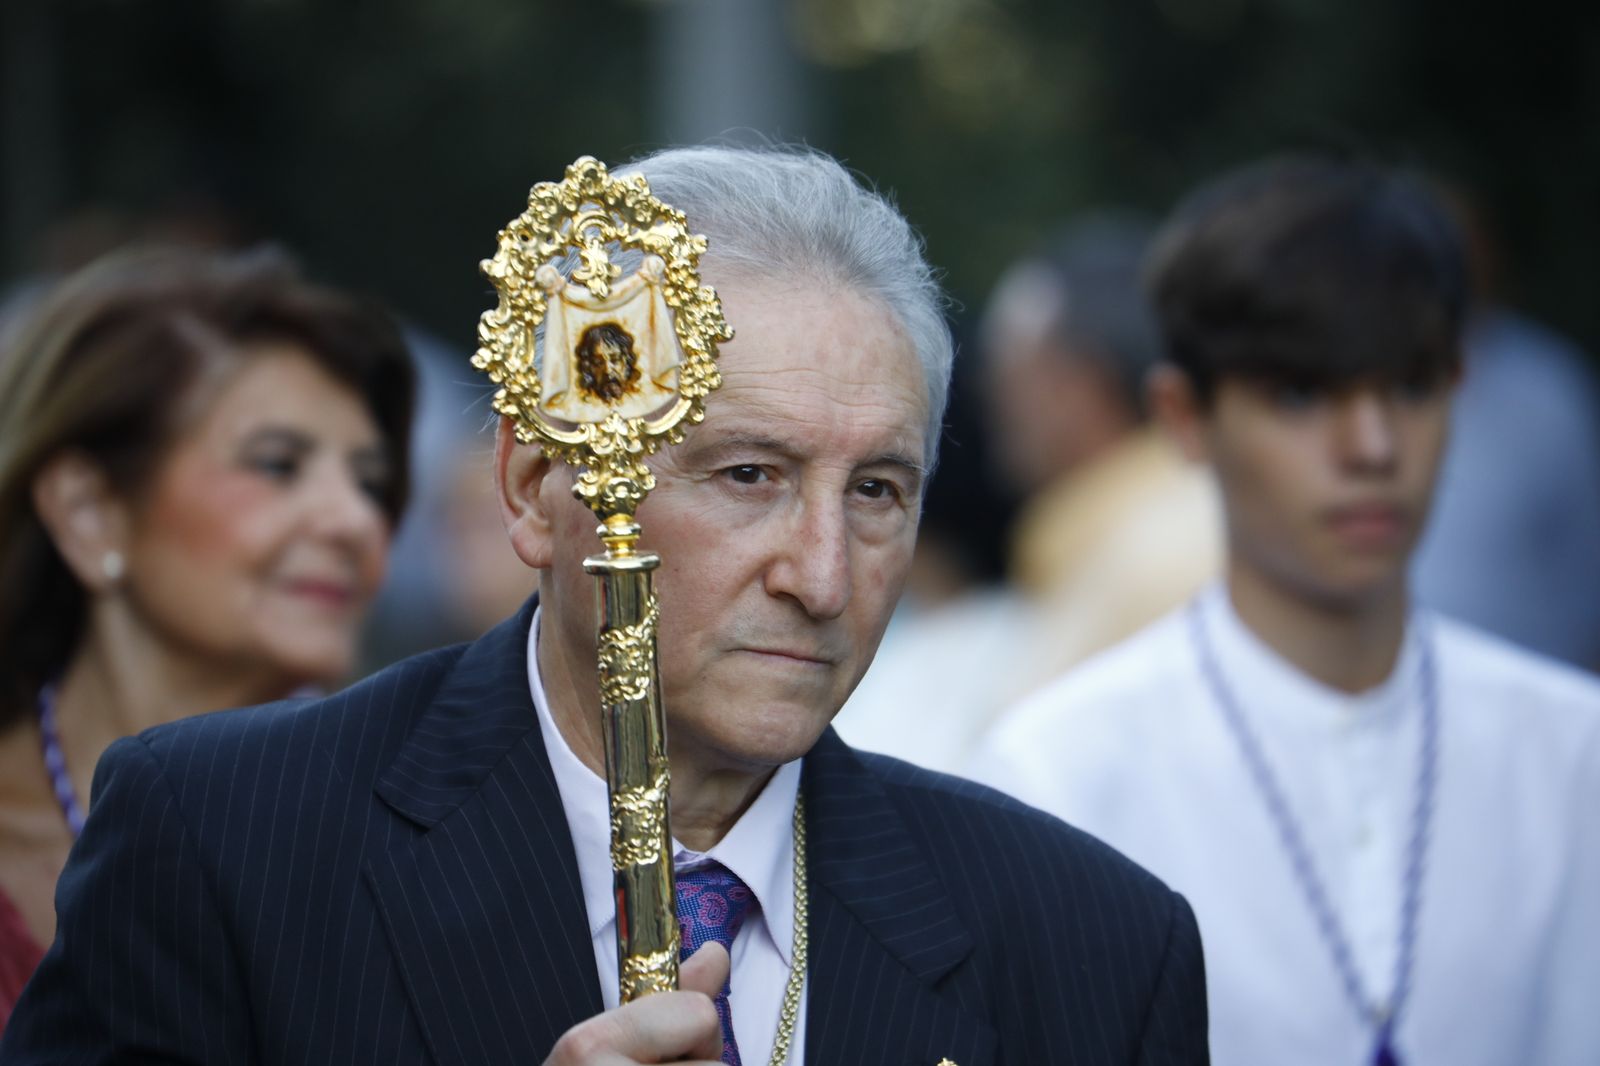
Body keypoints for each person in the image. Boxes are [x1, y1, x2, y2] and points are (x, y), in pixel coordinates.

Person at [2, 146, 1209, 1064]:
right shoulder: (224, 845)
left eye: (879, 491)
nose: (822, 573)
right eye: (749, 475)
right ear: (538, 488)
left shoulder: (1092, 945)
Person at [969, 156, 1600, 1065]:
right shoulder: (1059, 776)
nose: (1372, 446)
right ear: (1184, 417)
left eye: (1411, 386)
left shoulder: (1570, 753)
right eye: (1302, 394)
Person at [0, 245, 415, 1029]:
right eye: (278, 464)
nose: (355, 520)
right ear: (90, 512)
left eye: (369, 481)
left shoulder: (428, 832)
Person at [836, 216, 1222, 771]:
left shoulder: (1155, 559)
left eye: (1013, 374)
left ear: (1078, 384)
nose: (996, 404)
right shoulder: (1147, 532)